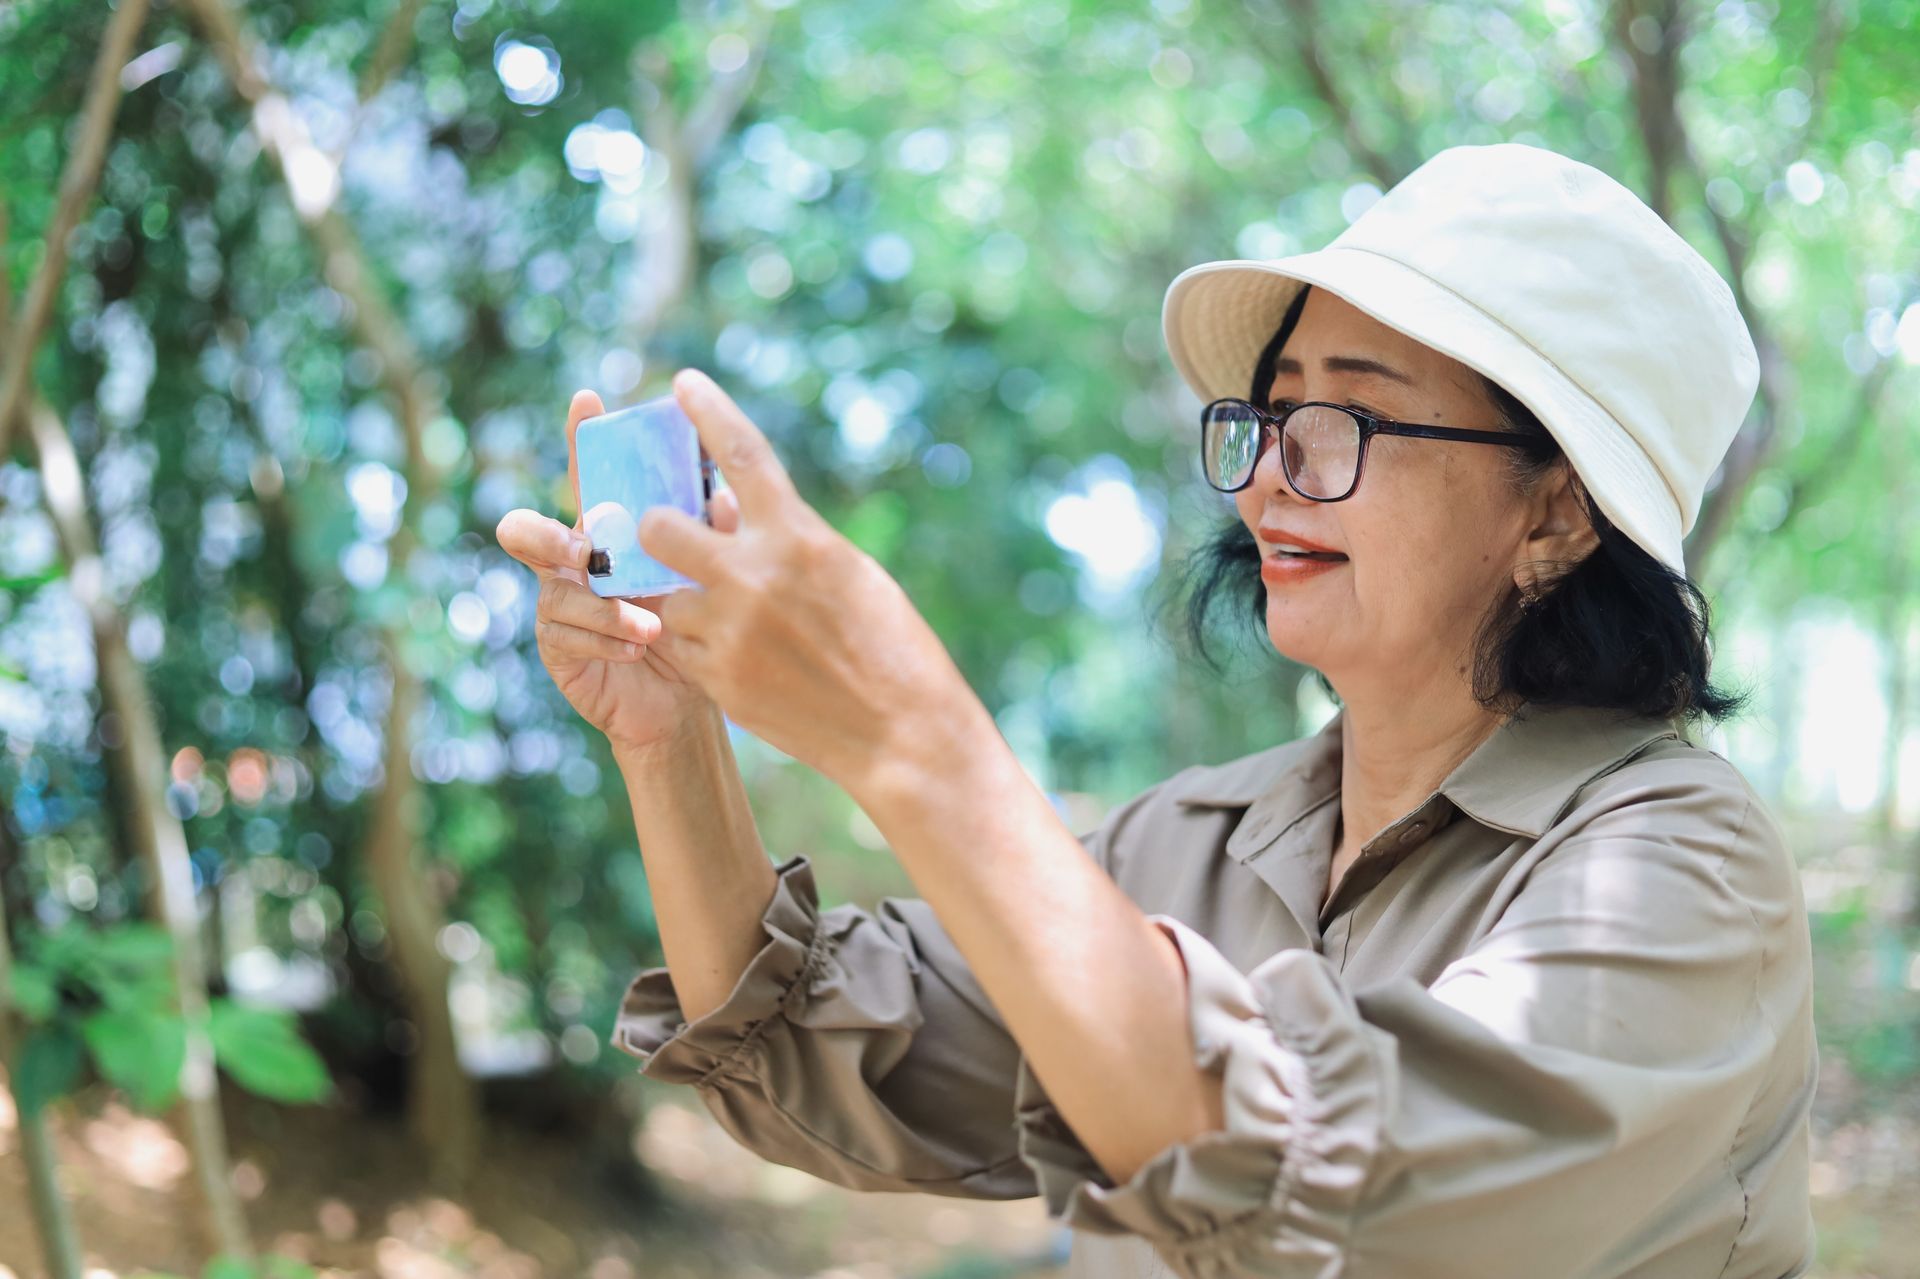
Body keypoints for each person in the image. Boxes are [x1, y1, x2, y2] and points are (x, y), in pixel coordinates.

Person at [494, 143, 1816, 1278]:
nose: (1273, 481)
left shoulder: (1678, 867)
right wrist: (671, 743)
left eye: (1352, 418)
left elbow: (1323, 1195)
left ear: (1557, 513)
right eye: (1271, 416)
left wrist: (911, 736)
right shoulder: (1189, 838)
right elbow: (817, 1054)